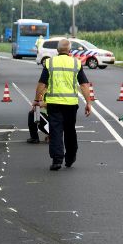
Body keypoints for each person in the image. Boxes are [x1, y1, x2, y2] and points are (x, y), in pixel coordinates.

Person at [31, 39, 93, 170]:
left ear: (57, 50)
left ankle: (57, 160)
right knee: (70, 130)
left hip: (54, 104)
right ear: (70, 50)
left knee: (56, 131)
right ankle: (70, 157)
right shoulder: (76, 63)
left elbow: (42, 84)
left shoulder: (50, 62)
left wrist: (37, 100)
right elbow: (84, 84)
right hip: (71, 104)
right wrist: (88, 102)